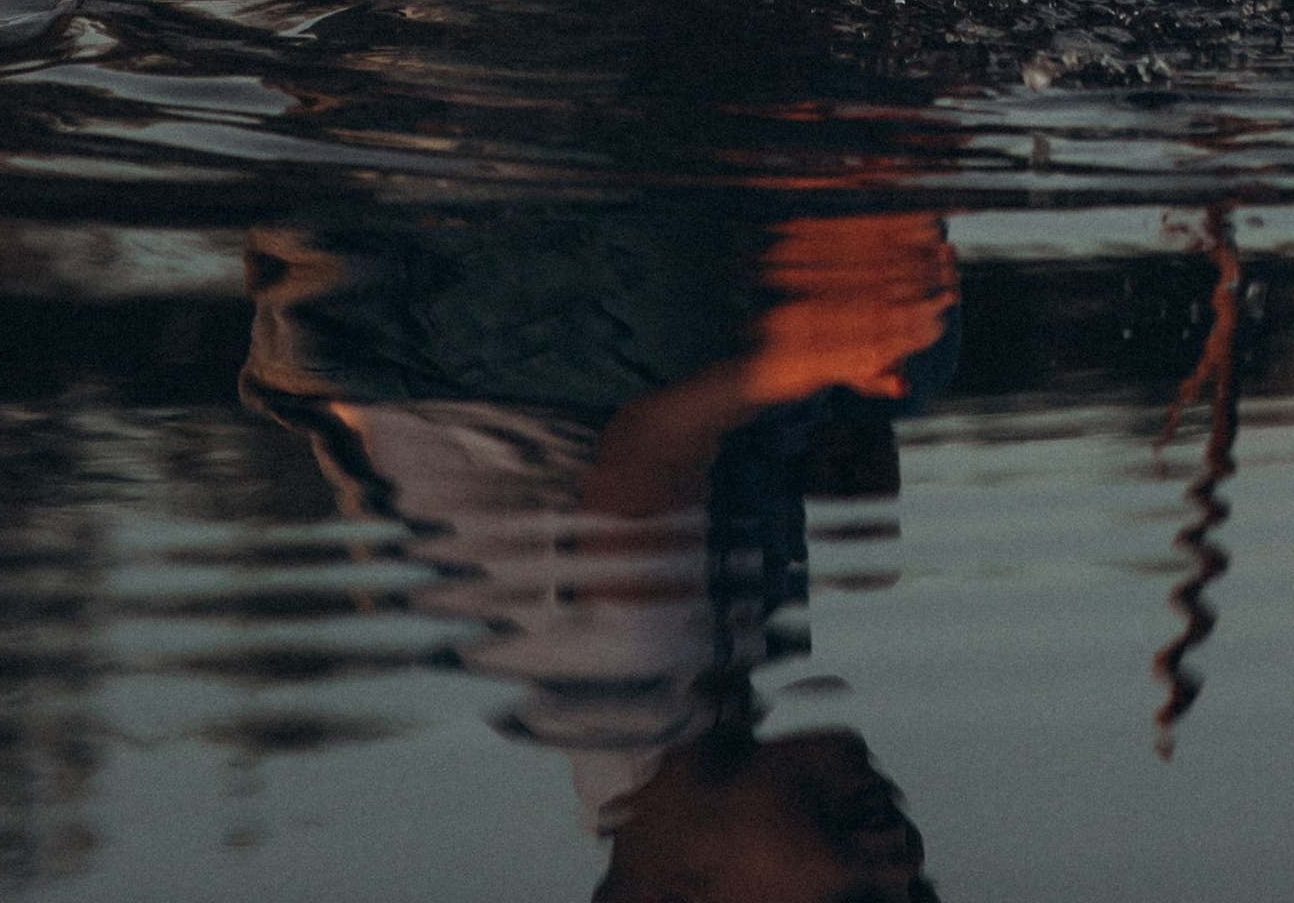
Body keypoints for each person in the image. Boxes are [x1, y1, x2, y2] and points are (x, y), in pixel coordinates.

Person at [239, 191, 955, 898]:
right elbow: (710, 475)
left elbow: (650, 446)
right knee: (902, 367)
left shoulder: (615, 693)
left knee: (718, 333)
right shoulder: (713, 699)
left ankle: (780, 171)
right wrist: (831, 433)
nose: (900, 859)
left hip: (410, 310)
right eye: (917, 889)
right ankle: (826, 183)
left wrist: (819, 355)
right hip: (509, 348)